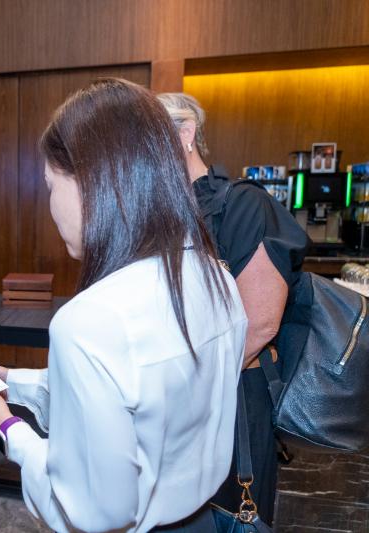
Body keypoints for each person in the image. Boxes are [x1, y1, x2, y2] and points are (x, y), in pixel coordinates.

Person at [0, 78, 248, 533]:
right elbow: (142, 397)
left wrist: (7, 429)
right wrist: (12, 381)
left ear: (90, 183)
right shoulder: (216, 279)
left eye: (50, 185)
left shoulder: (89, 321)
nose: (51, 205)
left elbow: (93, 510)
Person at [157, 92, 309, 525]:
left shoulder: (242, 205)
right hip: (170, 397)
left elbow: (259, 324)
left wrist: (185, 386)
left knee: (232, 513)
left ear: (185, 134)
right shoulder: (157, 216)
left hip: (234, 395)